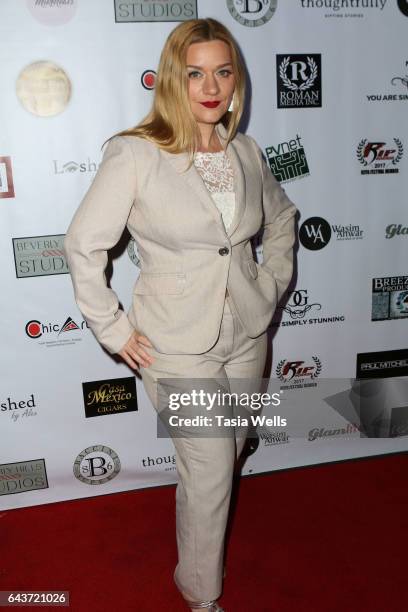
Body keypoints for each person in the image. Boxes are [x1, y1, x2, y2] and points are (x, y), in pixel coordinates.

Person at [63, 17, 297, 612]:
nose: (211, 86)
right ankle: (202, 596)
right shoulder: (136, 153)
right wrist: (113, 328)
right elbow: (83, 244)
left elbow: (282, 217)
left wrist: (270, 283)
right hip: (176, 342)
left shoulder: (245, 150)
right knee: (212, 469)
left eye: (223, 71)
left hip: (247, 331)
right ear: (174, 78)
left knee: (233, 446)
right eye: (195, 73)